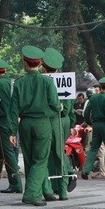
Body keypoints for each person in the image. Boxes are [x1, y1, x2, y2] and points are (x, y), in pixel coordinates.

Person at [9, 45, 61, 207]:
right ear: (40, 64)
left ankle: (42, 191)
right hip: (42, 123)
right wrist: (59, 108)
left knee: (31, 160)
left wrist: (11, 131)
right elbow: (54, 104)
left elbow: (13, 109)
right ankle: (32, 194)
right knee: (41, 160)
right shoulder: (47, 82)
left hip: (24, 124)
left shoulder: (19, 83)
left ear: (25, 62)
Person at [40, 48, 74, 201]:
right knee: (59, 155)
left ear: (43, 66)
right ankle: (62, 190)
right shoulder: (64, 82)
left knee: (45, 157)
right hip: (58, 122)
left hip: (45, 121)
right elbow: (66, 109)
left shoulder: (41, 81)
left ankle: (47, 189)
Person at [0, 57, 23, 194]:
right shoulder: (12, 82)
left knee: (7, 153)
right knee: (0, 151)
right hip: (13, 120)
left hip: (3, 121)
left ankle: (16, 183)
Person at [81, 76, 105, 180]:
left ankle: (85, 170)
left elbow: (86, 112)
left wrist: (90, 122)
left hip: (96, 125)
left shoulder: (93, 98)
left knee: (93, 148)